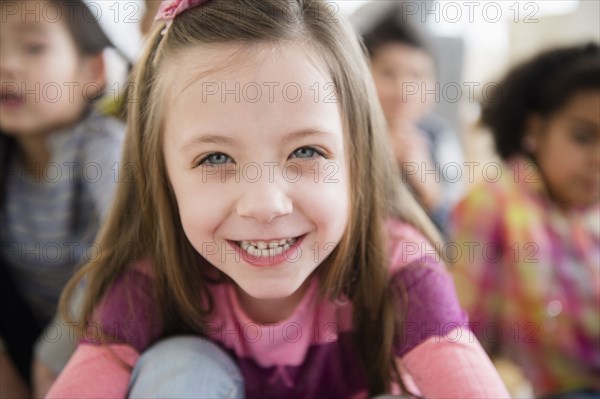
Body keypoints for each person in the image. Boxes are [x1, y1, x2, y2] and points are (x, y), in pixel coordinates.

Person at [46, 0, 509, 397]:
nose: (266, 204)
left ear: (357, 155)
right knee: (181, 366)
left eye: (306, 151)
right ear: (160, 174)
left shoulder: (399, 263)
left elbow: (459, 369)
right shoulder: (152, 275)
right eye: (214, 158)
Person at [451, 43, 600, 398]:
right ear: (536, 130)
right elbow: (464, 331)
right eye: (582, 137)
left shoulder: (590, 211)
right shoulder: (494, 203)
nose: (598, 159)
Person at [0, 0, 125, 396]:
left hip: (108, 334)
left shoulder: (103, 147)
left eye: (33, 47)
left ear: (93, 70)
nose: (6, 65)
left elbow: (124, 255)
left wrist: (53, 353)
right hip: (26, 338)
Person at [362, 14, 464, 235]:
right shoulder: (349, 133)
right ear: (359, 75)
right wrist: (381, 161)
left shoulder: (439, 136)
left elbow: (458, 229)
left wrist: (427, 182)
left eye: (417, 75)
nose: (404, 90)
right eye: (388, 73)